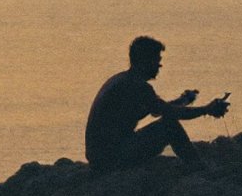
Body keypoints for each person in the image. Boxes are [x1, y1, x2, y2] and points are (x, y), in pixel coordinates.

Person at [85, 35, 230, 173]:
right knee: (169, 126)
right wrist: (207, 109)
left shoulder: (123, 80)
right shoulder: (137, 86)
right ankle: (198, 168)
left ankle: (195, 165)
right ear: (144, 61)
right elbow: (168, 112)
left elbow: (157, 109)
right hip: (110, 158)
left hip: (100, 157)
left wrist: (184, 100)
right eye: (156, 60)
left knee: (167, 122)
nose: (160, 65)